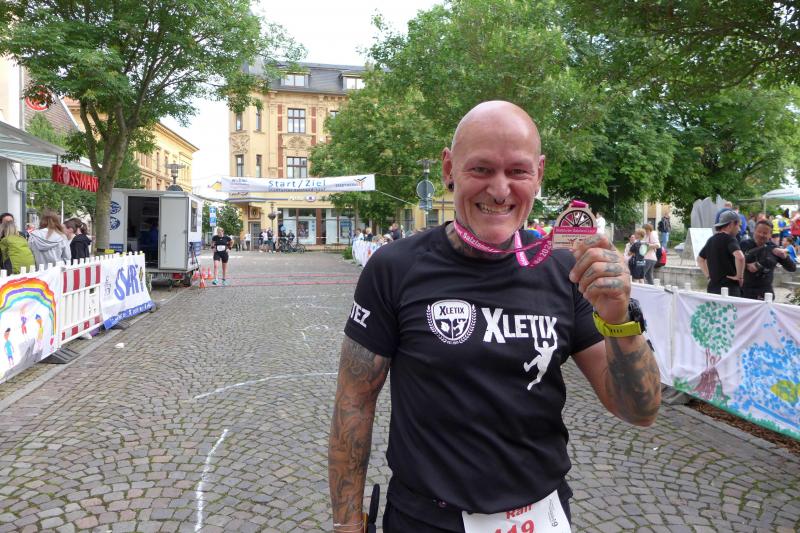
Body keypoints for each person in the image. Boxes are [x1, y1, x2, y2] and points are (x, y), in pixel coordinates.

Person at [329, 101, 660, 533]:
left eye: (517, 171)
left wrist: (618, 318)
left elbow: (639, 411)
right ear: (449, 168)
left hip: (539, 516)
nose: (500, 190)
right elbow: (354, 402)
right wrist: (348, 524)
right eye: (481, 169)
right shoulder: (395, 268)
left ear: (539, 174)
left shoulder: (567, 271)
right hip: (426, 519)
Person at [741, 221, 797, 300]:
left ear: (770, 235)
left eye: (765, 233)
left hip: (765, 292)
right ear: (754, 231)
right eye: (759, 231)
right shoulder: (744, 244)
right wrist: (746, 266)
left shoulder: (773, 248)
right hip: (745, 290)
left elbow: (792, 268)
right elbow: (732, 263)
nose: (761, 235)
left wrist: (785, 257)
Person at [697, 210, 745, 296]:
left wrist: (708, 276)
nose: (739, 229)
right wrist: (739, 277)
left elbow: (700, 259)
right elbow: (740, 257)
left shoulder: (711, 240)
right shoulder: (730, 239)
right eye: (738, 225)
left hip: (713, 288)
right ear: (731, 225)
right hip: (729, 288)